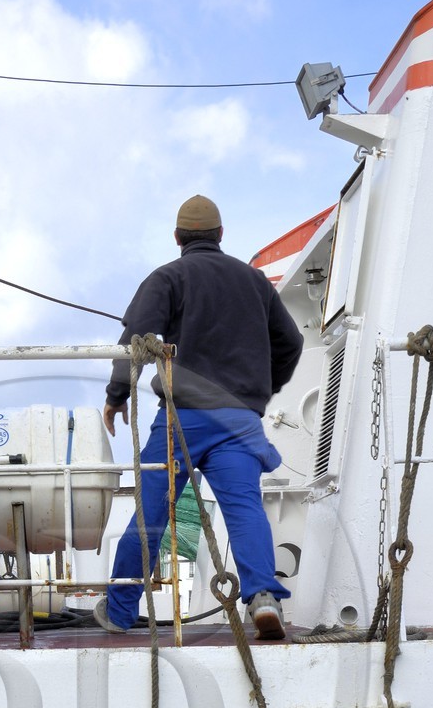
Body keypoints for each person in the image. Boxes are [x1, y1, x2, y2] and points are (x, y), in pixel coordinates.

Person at [96, 194, 304, 641]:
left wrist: (117, 395)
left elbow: (135, 340)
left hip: (182, 415)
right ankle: (263, 597)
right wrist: (263, 388)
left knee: (152, 509)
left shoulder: (169, 276)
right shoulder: (255, 282)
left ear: (177, 238)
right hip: (239, 419)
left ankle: (119, 610)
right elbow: (291, 343)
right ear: (221, 235)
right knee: (245, 507)